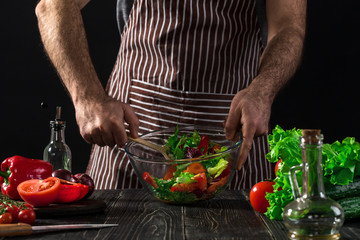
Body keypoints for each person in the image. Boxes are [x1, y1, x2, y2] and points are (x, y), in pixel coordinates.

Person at [35, 0, 306, 190]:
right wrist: (88, 98)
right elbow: (54, 5)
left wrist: (263, 91)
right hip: (133, 129)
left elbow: (289, 27)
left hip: (233, 132)